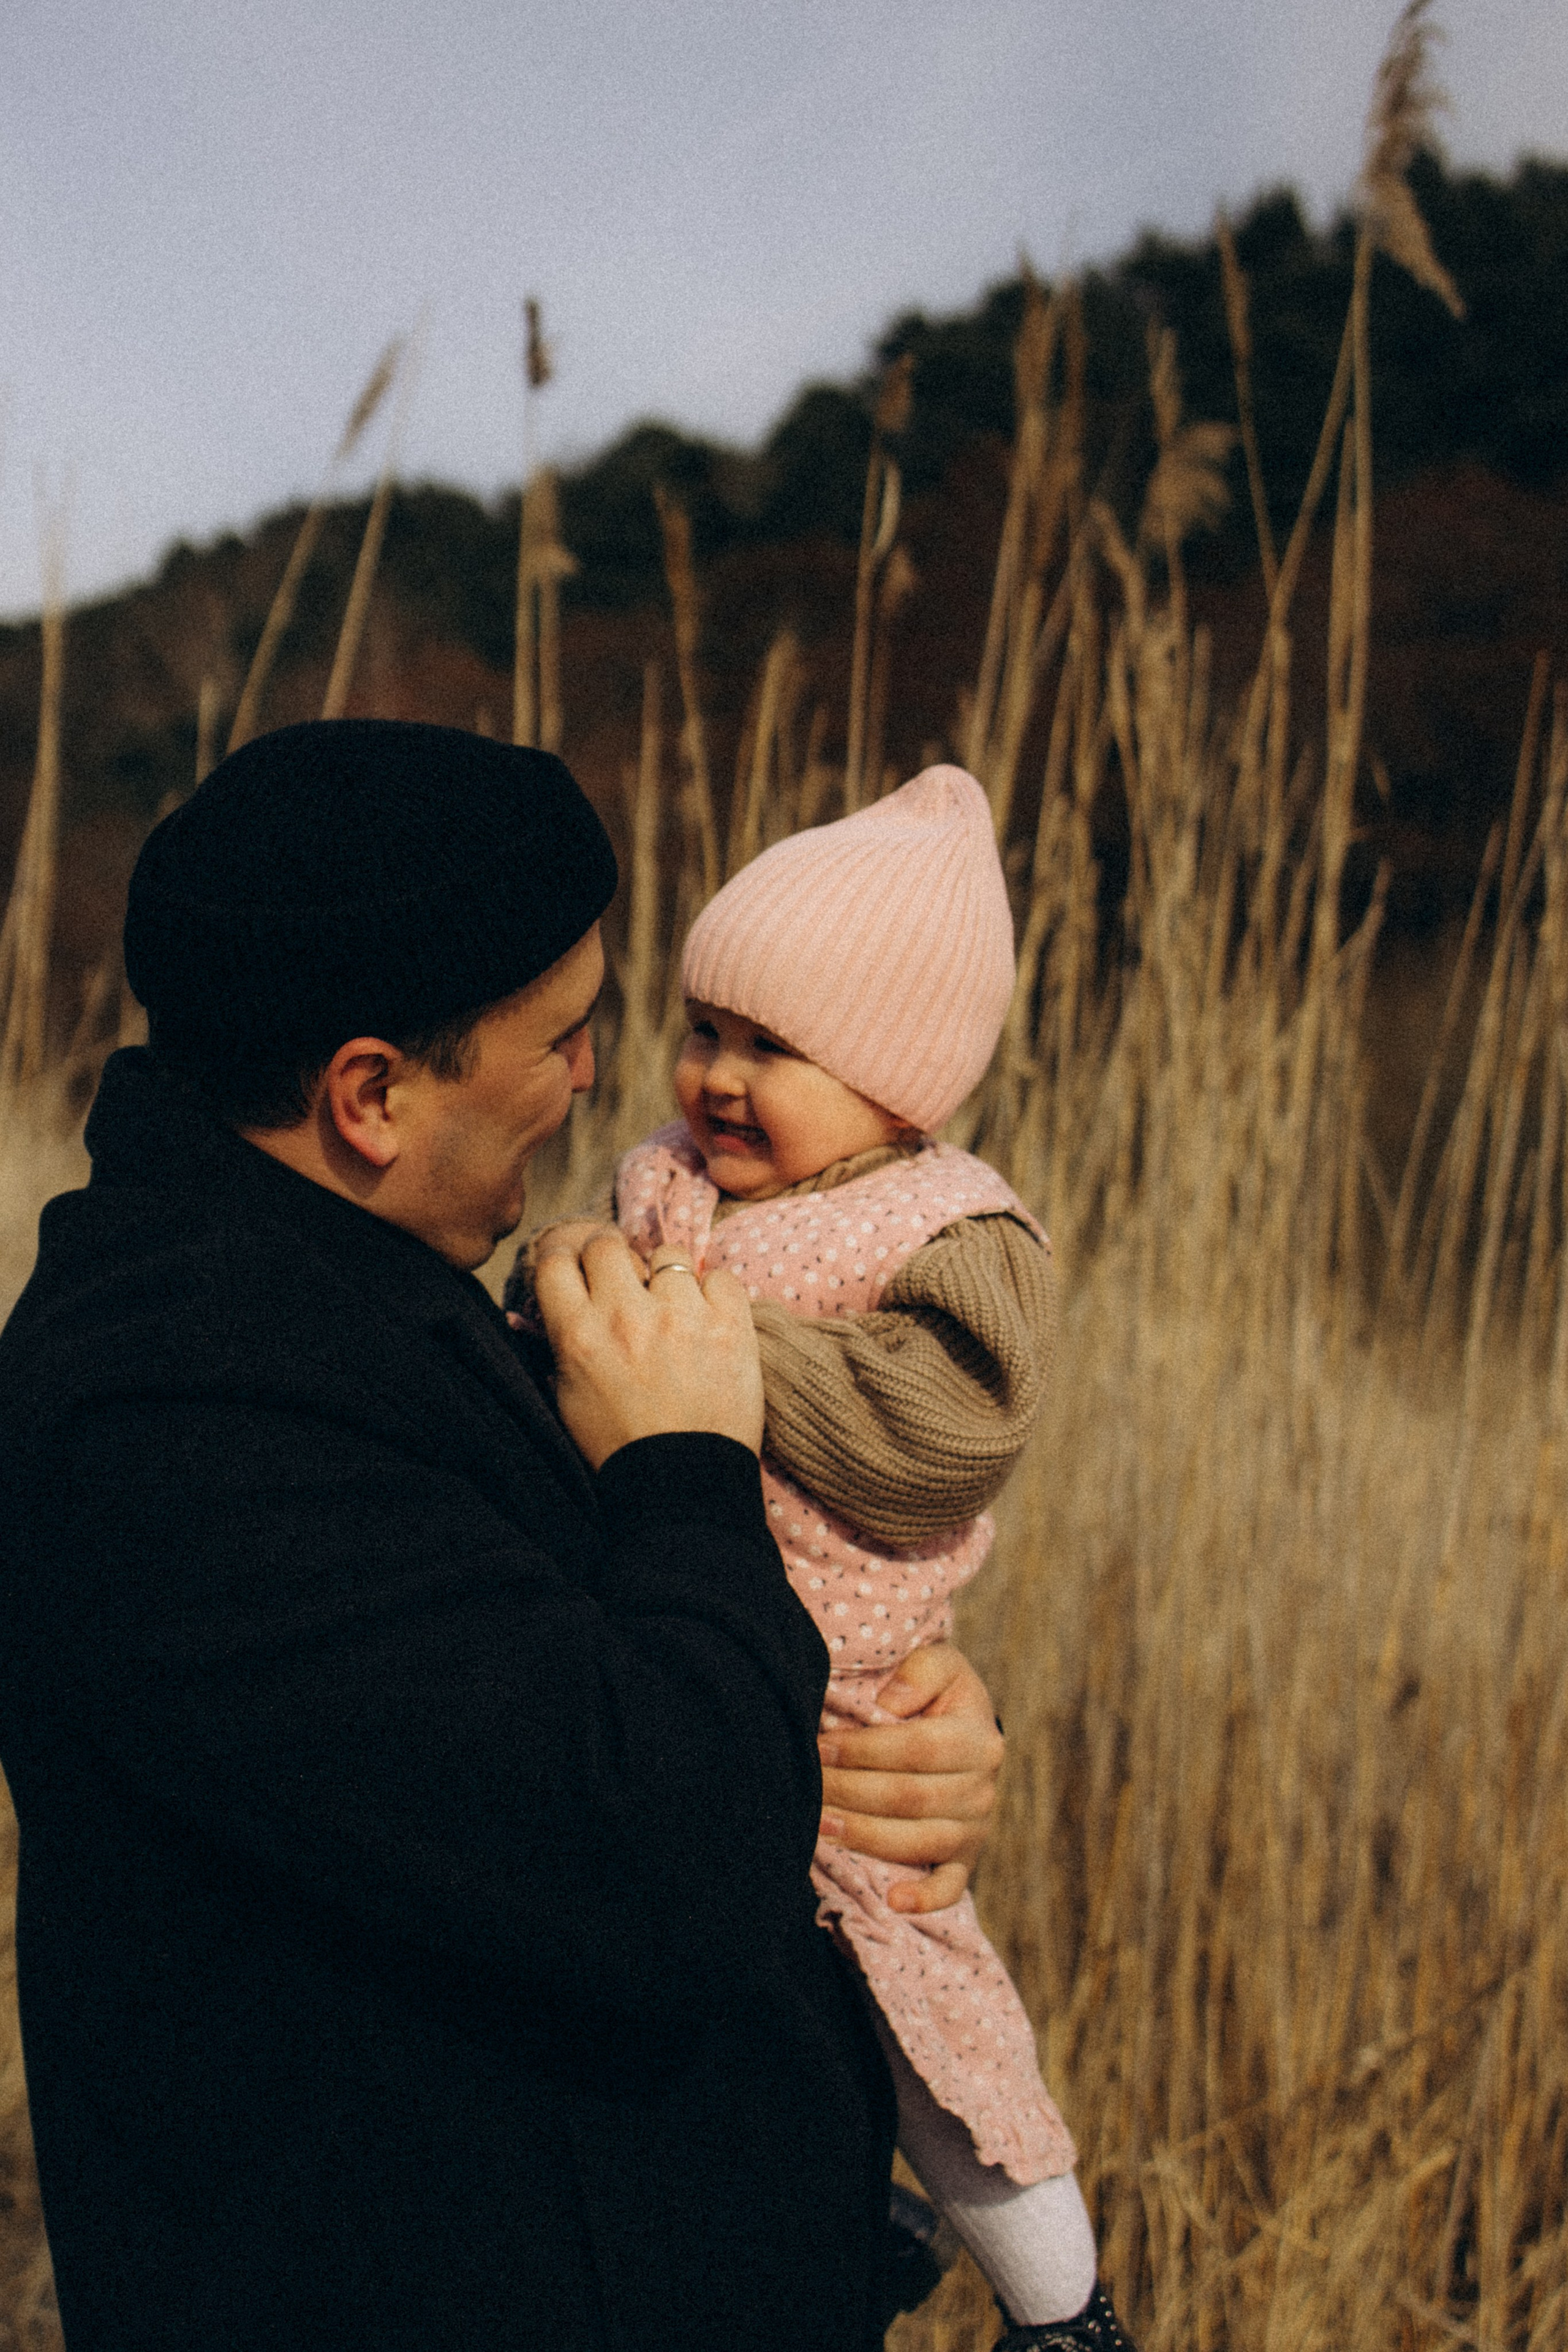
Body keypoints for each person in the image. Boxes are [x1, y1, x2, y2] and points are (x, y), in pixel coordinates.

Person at [0, 721, 1008, 2352]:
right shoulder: (172, 1422)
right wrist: (685, 1463)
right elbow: (663, 1858)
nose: (599, 1079)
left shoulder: (332, 1303)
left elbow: (581, 1675)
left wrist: (890, 1721)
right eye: (561, 1036)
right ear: (372, 1093)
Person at [512, 768, 1135, 2351]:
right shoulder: (667, 1178)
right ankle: (845, 2204)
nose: (717, 1078)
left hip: (852, 1687)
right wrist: (565, 1281)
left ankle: (1061, 2303)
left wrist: (698, 1340)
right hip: (677, 1636)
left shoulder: (951, 1233)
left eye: (773, 1050)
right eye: (704, 1028)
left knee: (930, 2007)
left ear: (898, 1086)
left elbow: (940, 1435)